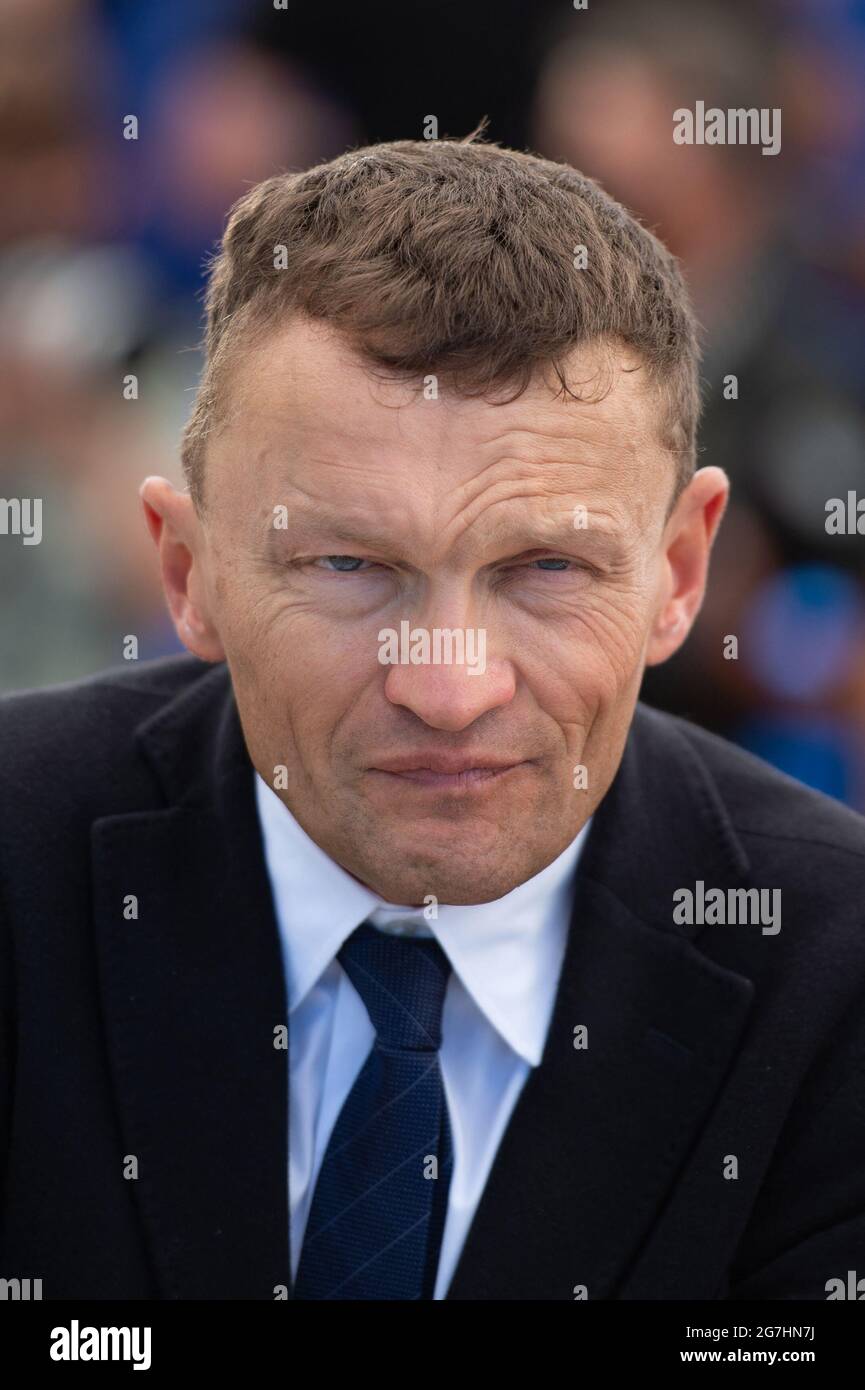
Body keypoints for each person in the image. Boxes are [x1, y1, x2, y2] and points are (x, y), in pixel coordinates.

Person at [1, 136, 864, 1301]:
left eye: (548, 566)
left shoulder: (836, 981)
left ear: (678, 572)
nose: (448, 688)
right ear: (188, 571)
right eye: (350, 562)